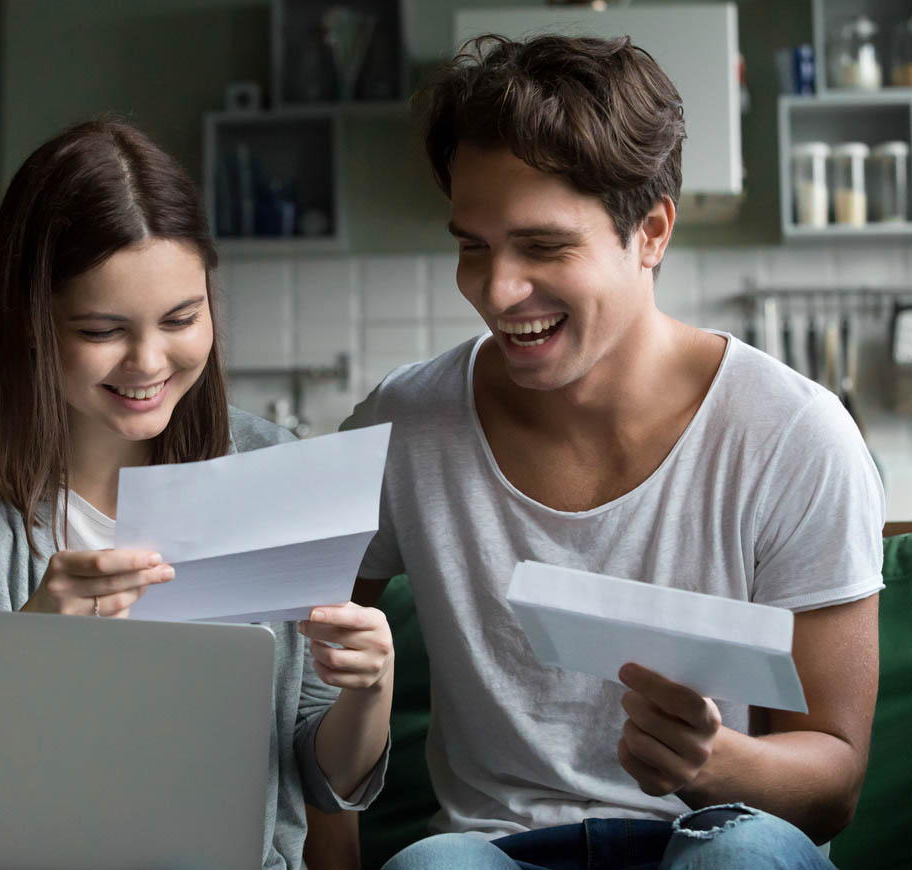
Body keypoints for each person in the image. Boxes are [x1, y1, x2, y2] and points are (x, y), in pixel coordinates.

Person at [344, 35, 883, 870]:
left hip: (710, 836)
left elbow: (834, 777)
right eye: (473, 246)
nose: (496, 290)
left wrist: (716, 763)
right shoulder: (404, 423)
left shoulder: (794, 436)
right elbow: (288, 647)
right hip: (495, 850)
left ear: (652, 232)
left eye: (544, 246)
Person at [0, 119, 393, 870]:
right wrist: (29, 645)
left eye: (183, 319)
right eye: (102, 329)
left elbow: (318, 777)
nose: (150, 361)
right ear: (28, 322)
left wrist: (369, 690)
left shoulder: (266, 469)